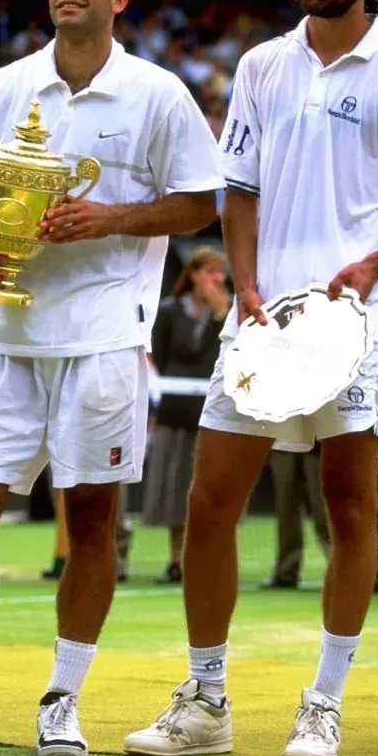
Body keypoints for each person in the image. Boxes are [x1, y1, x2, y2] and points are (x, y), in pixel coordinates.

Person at [124, 0, 378, 756]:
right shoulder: (261, 66)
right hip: (262, 322)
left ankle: (321, 704)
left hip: (357, 324)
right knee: (208, 504)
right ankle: (206, 701)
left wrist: (373, 265)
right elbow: (236, 186)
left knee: (348, 506)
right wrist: (243, 281)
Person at [0, 0, 224, 756]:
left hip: (105, 335)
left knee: (91, 516)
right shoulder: (2, 89)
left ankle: (62, 700)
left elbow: (200, 205)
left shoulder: (158, 94)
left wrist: (107, 217)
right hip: (5, 329)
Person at [142, 246, 231, 583]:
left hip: (212, 413)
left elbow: (226, 355)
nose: (216, 279)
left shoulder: (229, 312)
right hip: (175, 413)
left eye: (220, 272)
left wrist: (222, 316)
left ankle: (208, 561)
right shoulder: (168, 311)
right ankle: (176, 560)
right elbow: (161, 360)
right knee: (174, 488)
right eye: (210, 271)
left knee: (211, 490)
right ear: (193, 274)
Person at [260, 447, 330, 590]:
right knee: (285, 509)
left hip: (318, 442)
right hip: (283, 440)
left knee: (324, 510)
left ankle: (341, 571)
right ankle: (286, 570)